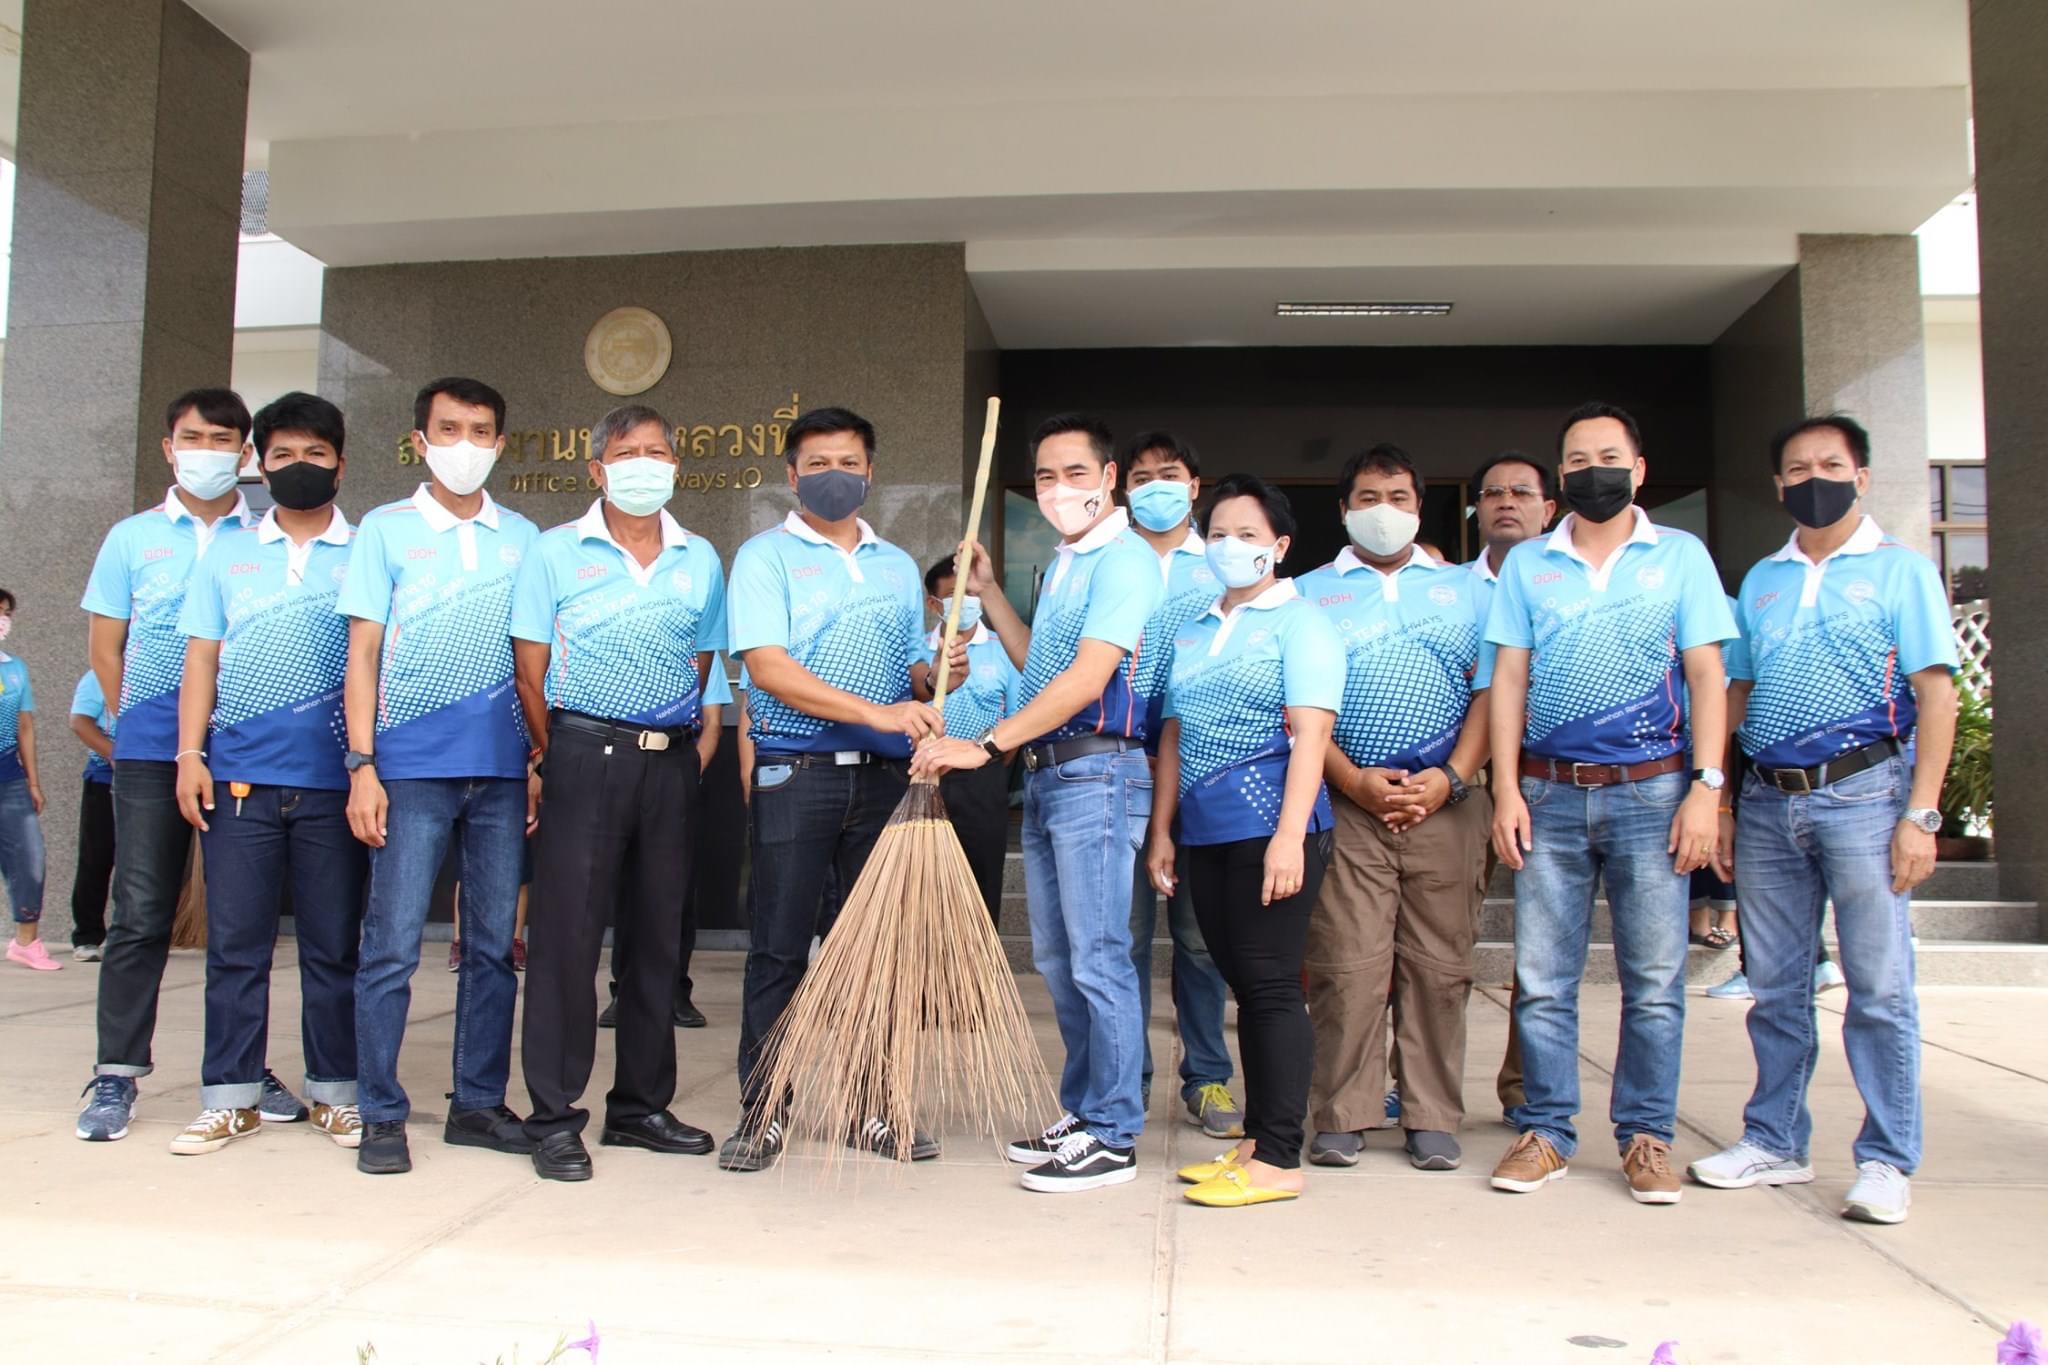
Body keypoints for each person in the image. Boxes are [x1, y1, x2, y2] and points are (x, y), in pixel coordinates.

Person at [1687, 414, 1958, 1226]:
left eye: (1830, 465)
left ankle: (1886, 1159)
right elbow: (1736, 691)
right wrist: (1723, 798)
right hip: (1770, 801)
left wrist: (1922, 814)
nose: (1814, 479)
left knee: (1878, 989)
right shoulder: (1762, 582)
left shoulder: (1903, 571)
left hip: (1866, 796)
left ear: (1862, 477)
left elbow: (1936, 695)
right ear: (1779, 484)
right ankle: (1774, 1138)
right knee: (1774, 987)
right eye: (1798, 469)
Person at [1485, 401, 1736, 1205]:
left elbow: (1707, 675)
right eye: (1577, 459)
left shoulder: (1682, 556)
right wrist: (1504, 788)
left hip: (1654, 792)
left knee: (1655, 980)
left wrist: (1707, 789)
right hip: (1547, 792)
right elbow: (1509, 679)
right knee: (1543, 979)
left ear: (1639, 468)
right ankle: (1546, 1132)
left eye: (1608, 457)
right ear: (1561, 476)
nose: (1593, 471)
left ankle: (1647, 1137)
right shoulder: (1529, 564)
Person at [916, 413, 1163, 1194]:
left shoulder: (1125, 560)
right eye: (1047, 477)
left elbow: (1087, 680)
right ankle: (1085, 1111)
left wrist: (986, 744)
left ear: (1110, 477)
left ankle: (1114, 1132)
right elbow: (1038, 668)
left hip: (1099, 771)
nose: (1060, 489)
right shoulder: (1065, 564)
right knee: (1059, 958)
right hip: (1054, 775)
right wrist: (988, 592)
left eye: (1076, 473)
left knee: (1098, 956)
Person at [719, 406, 940, 1172]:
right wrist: (877, 711)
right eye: (817, 463)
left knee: (875, 951)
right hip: (797, 772)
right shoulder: (763, 558)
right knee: (780, 949)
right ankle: (764, 1111)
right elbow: (769, 667)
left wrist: (939, 671)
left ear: (870, 471)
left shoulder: (897, 565)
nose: (833, 475)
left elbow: (913, 668)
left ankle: (872, 1107)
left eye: (848, 461)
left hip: (884, 781)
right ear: (791, 475)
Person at [511, 404, 727, 1181]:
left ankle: (639, 1106)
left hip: (668, 763)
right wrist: (559, 751)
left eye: (658, 452)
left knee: (656, 940)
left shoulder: (700, 556)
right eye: (628, 452)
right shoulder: (554, 551)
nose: (645, 464)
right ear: (598, 468)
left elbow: (700, 663)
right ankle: (554, 1115)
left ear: (676, 466)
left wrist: (667, 740)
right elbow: (529, 671)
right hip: (582, 753)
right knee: (567, 941)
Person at [339, 376, 540, 1176]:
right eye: (449, 429)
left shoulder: (524, 536)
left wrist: (535, 760)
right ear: (419, 441)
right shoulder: (385, 530)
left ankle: (477, 1104)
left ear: (500, 443)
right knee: (390, 948)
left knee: (492, 948)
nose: (465, 444)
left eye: (481, 430)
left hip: (500, 774)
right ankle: (381, 1112)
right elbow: (362, 653)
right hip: (409, 771)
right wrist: (362, 765)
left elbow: (533, 659)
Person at [168, 391, 366, 1155]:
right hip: (240, 781)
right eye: (282, 453)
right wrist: (191, 755)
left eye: (315, 453)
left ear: (340, 465)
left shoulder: (367, 550)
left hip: (335, 784)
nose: (299, 466)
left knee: (332, 948)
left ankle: (336, 1094)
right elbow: (201, 660)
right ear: (259, 463)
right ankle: (231, 1097)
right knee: (237, 949)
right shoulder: (228, 552)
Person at [1294, 444, 1495, 1172]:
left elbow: (1492, 693)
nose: (1385, 510)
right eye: (1369, 497)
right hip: (1346, 802)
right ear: (1344, 509)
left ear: (1419, 505)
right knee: (1346, 964)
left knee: (1439, 966)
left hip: (1448, 803)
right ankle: (1343, 1112)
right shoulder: (1305, 594)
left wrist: (1451, 777)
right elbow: (1297, 704)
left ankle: (1430, 1114)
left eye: (1400, 497)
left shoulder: (1467, 589)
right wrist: (1352, 781)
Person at [77, 389, 270, 1140]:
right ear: (168, 447)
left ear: (245, 454)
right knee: (141, 912)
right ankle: (117, 1071)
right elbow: (106, 649)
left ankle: (242, 1069)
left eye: (223, 439)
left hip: (246, 752)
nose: (207, 451)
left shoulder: (268, 536)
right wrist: (143, 724)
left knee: (241, 924)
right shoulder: (131, 538)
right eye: (193, 437)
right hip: (153, 752)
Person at [1145, 474, 1341, 1205]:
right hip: (1204, 831)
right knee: (1244, 984)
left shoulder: (1302, 623)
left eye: (1248, 534)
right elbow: (1173, 734)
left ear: (1279, 546)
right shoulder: (1194, 628)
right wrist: (1163, 831)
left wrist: (1290, 837)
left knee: (1270, 985)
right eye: (1219, 533)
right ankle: (1258, 1142)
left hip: (1270, 828)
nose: (1230, 545)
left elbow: (1312, 735)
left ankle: (1280, 1158)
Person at [1117, 431, 1242, 1139]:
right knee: (1125, 937)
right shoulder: (1107, 561)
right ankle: (1126, 1080)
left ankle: (1208, 1077)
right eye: (1142, 477)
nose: (1155, 486)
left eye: (1169, 474)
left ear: (1195, 486)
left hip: (1203, 772)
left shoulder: (1224, 564)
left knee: (1200, 939)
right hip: (1116, 768)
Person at [1466, 450, 1558, 1118]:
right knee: (1437, 945)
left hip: (1550, 781)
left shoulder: (1567, 582)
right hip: (1465, 784)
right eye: (1493, 492)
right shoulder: (1449, 587)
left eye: (1521, 492)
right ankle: (1410, 1082)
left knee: (1542, 951)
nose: (1506, 501)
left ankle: (1527, 1088)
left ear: (1548, 508)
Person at [910, 560, 1018, 925]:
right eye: (955, 596)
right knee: (922, 889)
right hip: (922, 778)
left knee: (981, 882)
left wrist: (985, 765)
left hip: (982, 781)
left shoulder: (1005, 650)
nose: (967, 602)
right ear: (933, 604)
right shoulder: (917, 654)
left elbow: (1016, 723)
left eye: (972, 594)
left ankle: (979, 958)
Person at [0, 589, 55, 971]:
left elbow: (25, 726)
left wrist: (33, 782)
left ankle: (26, 942)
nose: (2, 619)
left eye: (6, 613)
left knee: (30, 857)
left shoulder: (15, 668)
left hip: (9, 776)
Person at [68, 671, 117, 961]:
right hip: (104, 779)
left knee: (142, 863)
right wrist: (116, 754)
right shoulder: (97, 676)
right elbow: (80, 722)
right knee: (96, 858)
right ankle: (87, 936)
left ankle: (133, 937)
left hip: (153, 780)